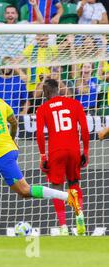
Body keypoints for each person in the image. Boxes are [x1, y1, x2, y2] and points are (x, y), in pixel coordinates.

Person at [0, 75, 82, 236]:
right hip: (4, 151)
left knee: (24, 191)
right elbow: (14, 122)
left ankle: (68, 197)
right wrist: (11, 139)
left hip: (2, 154)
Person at [36, 78, 89, 236]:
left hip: (56, 152)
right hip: (73, 150)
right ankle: (79, 216)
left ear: (45, 92)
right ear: (57, 89)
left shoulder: (43, 109)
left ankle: (63, 226)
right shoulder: (74, 103)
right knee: (73, 183)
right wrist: (85, 151)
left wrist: (42, 155)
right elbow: (84, 129)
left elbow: (40, 134)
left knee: (57, 188)